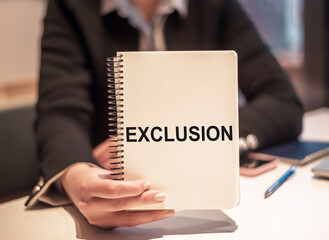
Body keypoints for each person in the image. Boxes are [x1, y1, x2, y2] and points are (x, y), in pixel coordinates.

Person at [25, 0, 303, 228]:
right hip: (115, 200)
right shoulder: (71, 6)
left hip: (202, 206)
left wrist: (199, 140)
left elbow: (281, 100)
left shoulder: (215, 6)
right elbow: (61, 112)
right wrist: (77, 177)